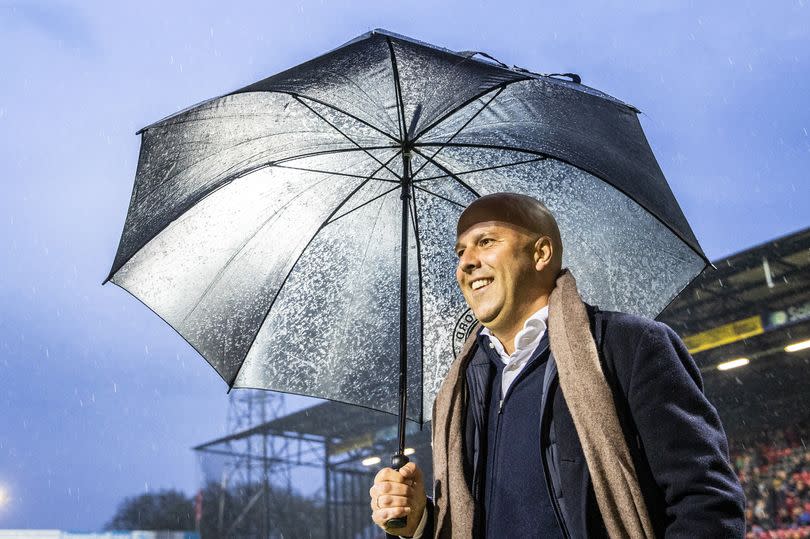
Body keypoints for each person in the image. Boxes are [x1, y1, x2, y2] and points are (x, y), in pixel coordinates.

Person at [369, 192, 746, 538]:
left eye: (486, 242)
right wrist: (419, 521)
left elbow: (706, 502)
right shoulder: (460, 388)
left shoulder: (628, 345)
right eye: (460, 251)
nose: (467, 262)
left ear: (541, 253)